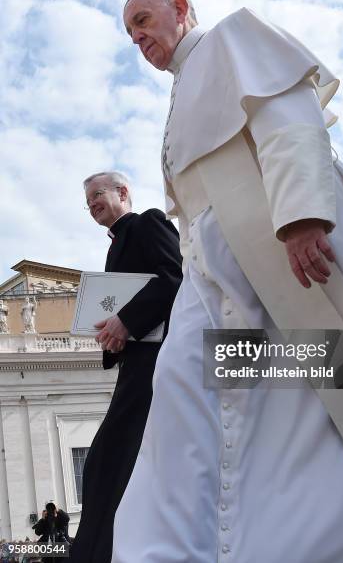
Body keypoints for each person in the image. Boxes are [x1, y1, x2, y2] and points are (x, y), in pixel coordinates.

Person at [112, 0, 343, 562]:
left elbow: (289, 119)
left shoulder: (232, 38)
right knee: (195, 386)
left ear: (181, 9)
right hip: (215, 272)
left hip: (282, 243)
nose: (138, 36)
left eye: (143, 19)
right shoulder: (177, 99)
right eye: (130, 32)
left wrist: (301, 217)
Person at [69, 171, 182, 563]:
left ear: (123, 192)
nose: (92, 204)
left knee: (109, 459)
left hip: (159, 363)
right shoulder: (113, 247)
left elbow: (175, 278)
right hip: (135, 366)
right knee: (108, 463)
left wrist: (126, 321)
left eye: (97, 194)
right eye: (88, 202)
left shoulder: (149, 222)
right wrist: (113, 334)